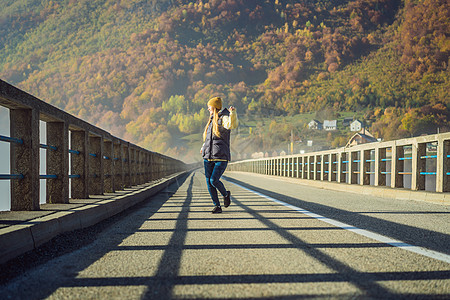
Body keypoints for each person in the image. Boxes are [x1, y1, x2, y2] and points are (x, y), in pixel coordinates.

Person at [201, 96, 238, 214]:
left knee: (213, 180)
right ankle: (217, 206)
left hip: (221, 156)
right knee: (209, 182)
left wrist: (232, 113)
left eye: (209, 107)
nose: (208, 109)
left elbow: (232, 125)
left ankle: (226, 194)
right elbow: (209, 139)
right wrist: (203, 148)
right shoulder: (211, 121)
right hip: (208, 157)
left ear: (215, 107)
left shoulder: (224, 118)